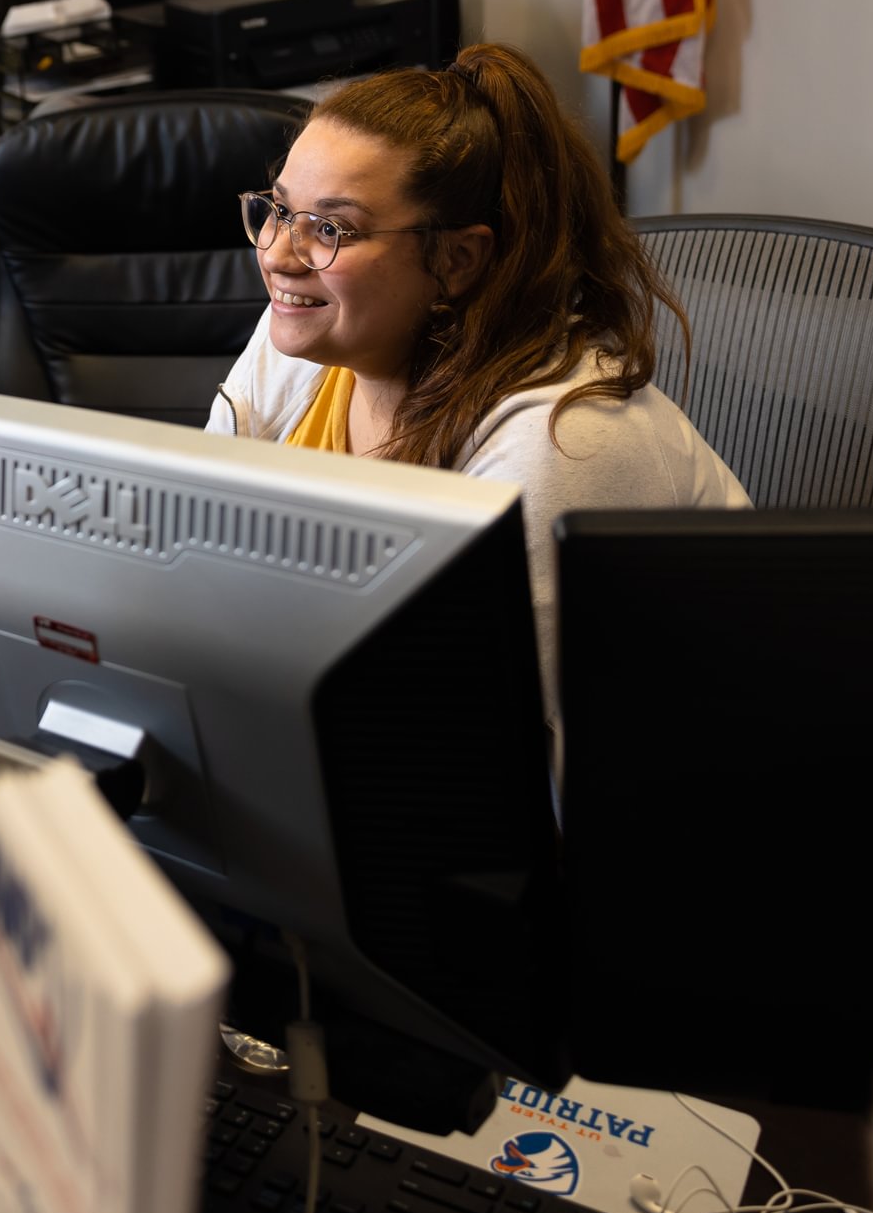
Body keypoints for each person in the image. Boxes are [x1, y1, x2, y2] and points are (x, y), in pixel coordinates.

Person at [207, 44, 745, 725]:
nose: (279, 255)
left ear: (457, 259)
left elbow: (483, 745)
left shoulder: (565, 439)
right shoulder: (304, 335)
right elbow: (207, 573)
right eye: (279, 210)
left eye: (331, 228)